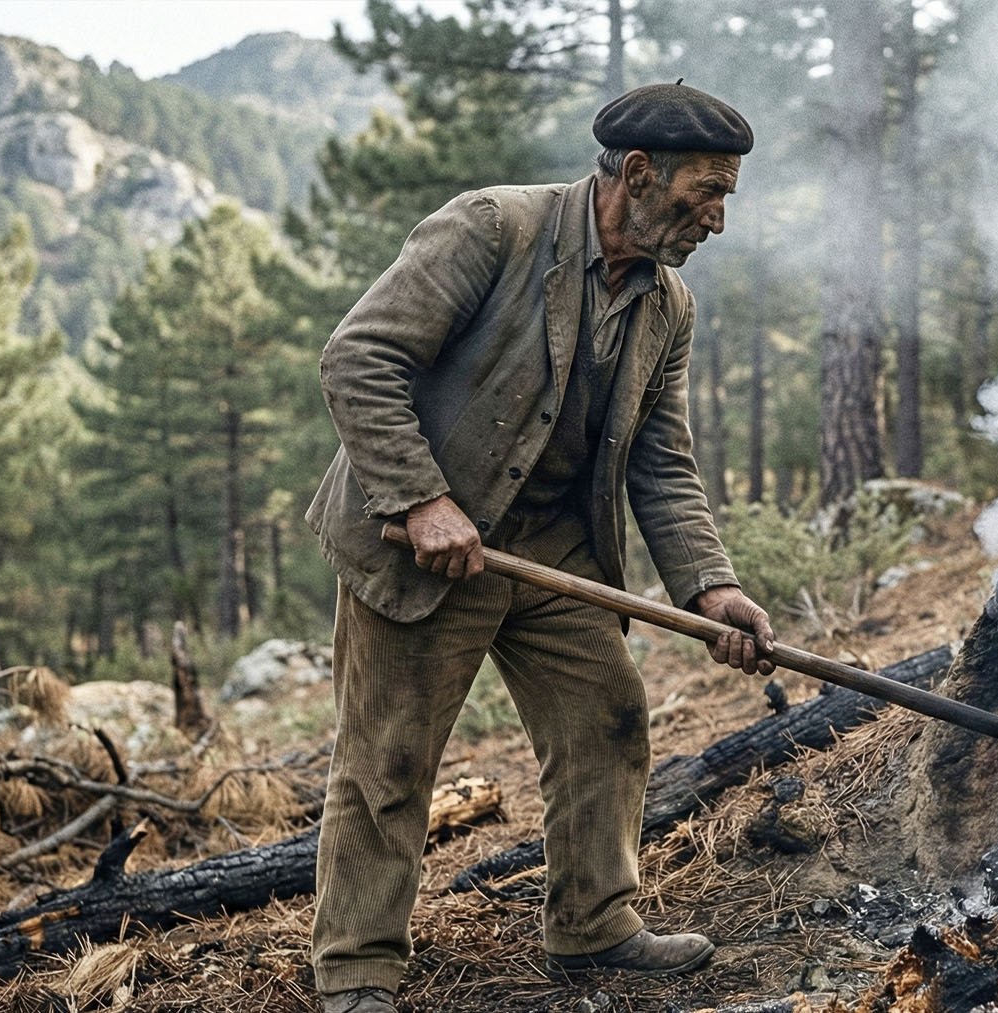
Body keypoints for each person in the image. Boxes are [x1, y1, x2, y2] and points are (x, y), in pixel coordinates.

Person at [304, 82, 776, 1013]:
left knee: (607, 716)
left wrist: (710, 587)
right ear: (638, 175)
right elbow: (358, 358)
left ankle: (594, 924)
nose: (717, 221)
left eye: (728, 197)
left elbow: (660, 458)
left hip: (556, 553)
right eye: (704, 194)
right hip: (425, 541)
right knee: (388, 761)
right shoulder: (492, 231)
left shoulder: (666, 305)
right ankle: (356, 970)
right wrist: (423, 497)